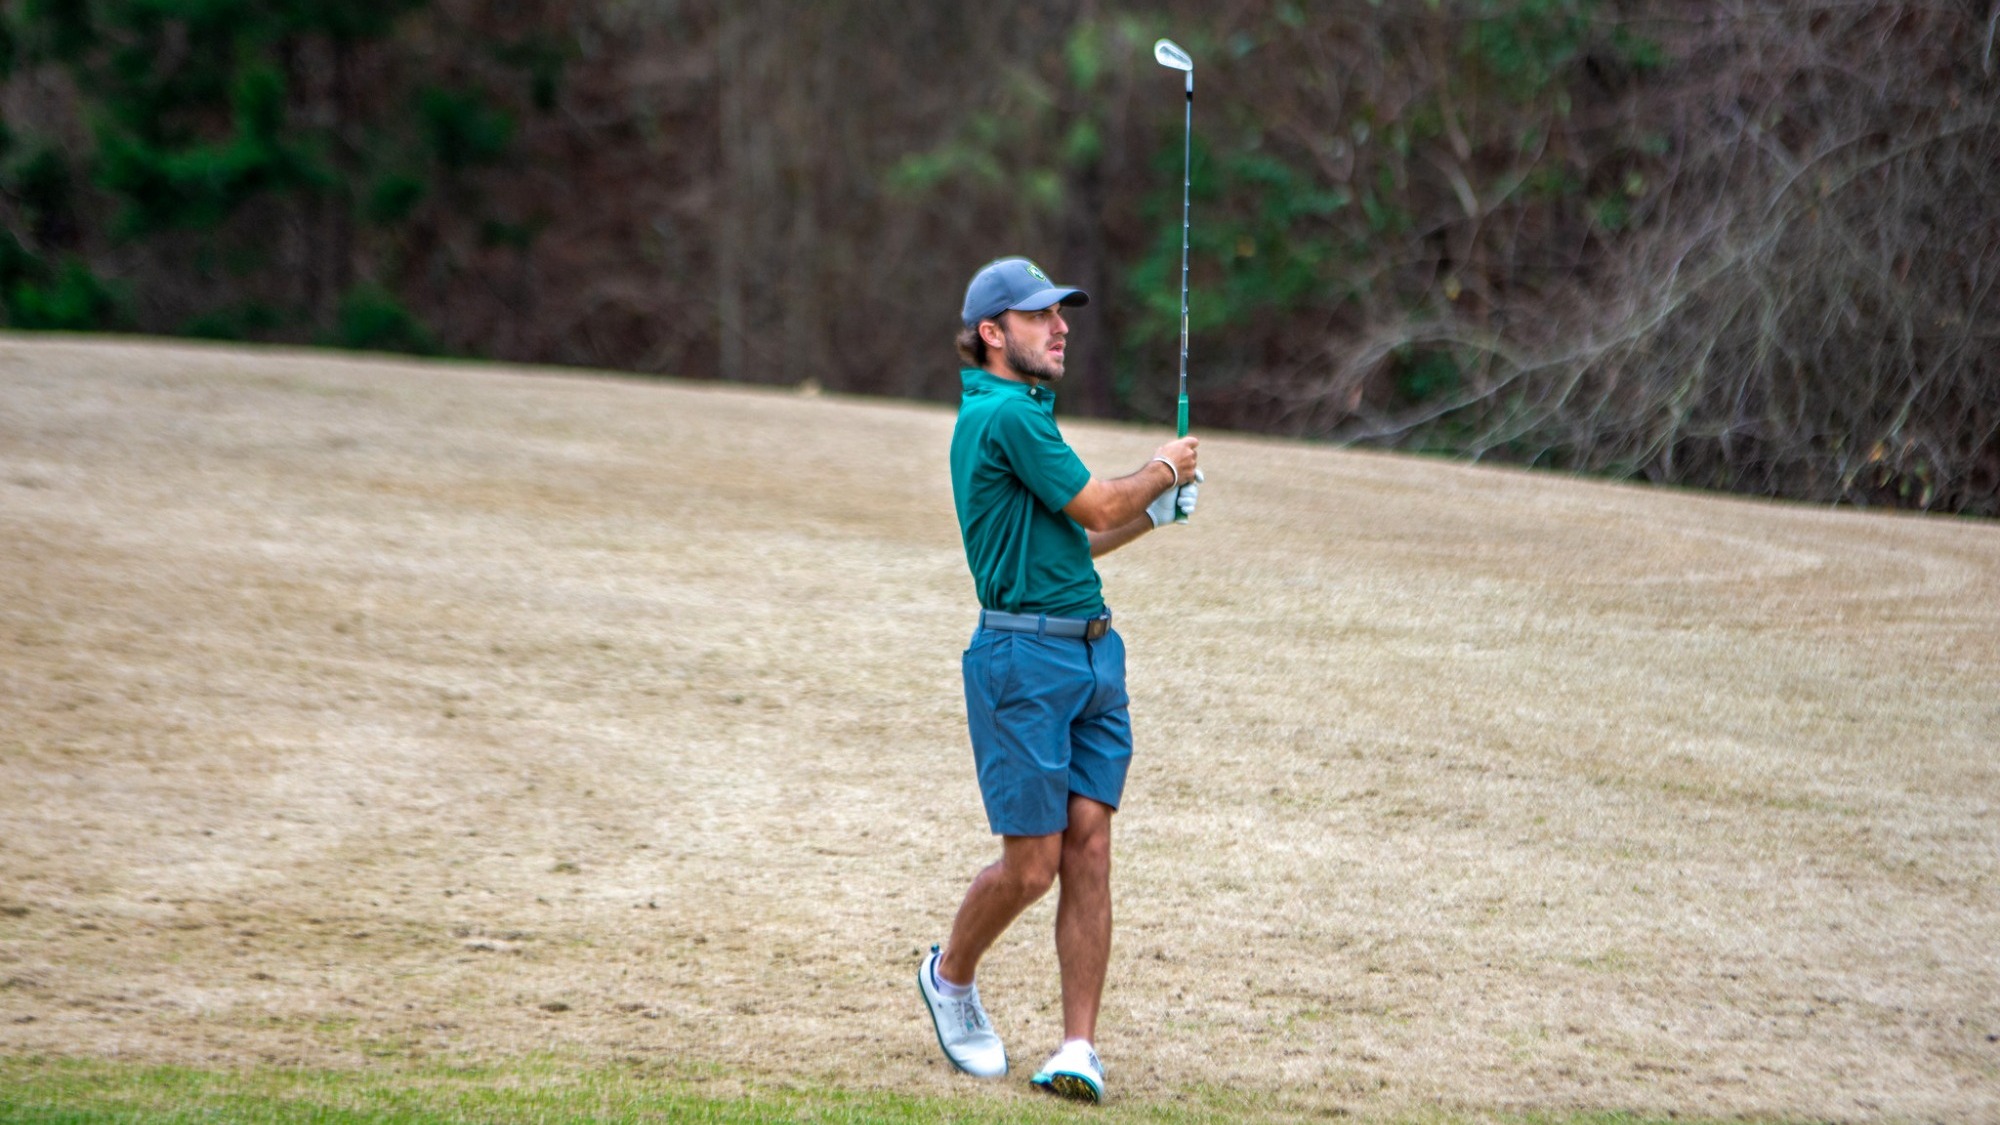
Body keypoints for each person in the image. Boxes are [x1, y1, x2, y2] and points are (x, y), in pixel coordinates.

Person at [917, 256, 1201, 1104]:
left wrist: (1152, 511)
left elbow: (1081, 537)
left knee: (1091, 846)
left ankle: (1078, 1046)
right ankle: (950, 973)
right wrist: (1163, 471)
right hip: (1021, 661)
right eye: (1040, 316)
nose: (1061, 325)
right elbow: (1101, 504)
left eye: (1062, 314)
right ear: (994, 335)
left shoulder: (1023, 418)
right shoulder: (1005, 415)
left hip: (1089, 652)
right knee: (1033, 865)